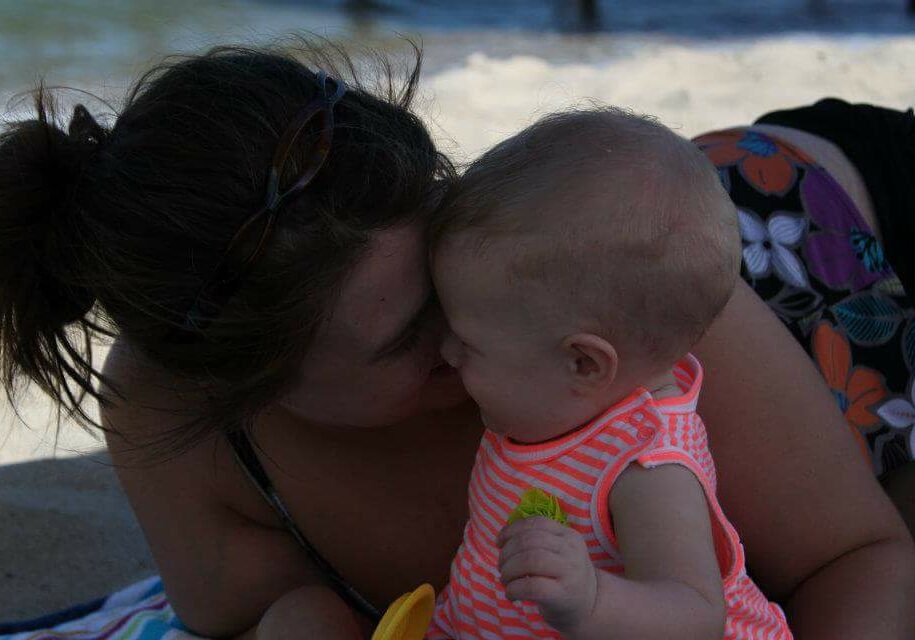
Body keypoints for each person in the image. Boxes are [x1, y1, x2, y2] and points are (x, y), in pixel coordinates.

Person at [0, 41, 911, 639]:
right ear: (249, 389)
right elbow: (251, 614)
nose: (465, 325)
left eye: (442, 239)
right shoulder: (175, 416)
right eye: (408, 333)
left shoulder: (604, 308)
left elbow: (859, 560)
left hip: (820, 225)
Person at [422, 108, 789, 639]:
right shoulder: (553, 406)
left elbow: (694, 616)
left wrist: (590, 599)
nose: (447, 352)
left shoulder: (646, 466)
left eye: (468, 342)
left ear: (583, 363)